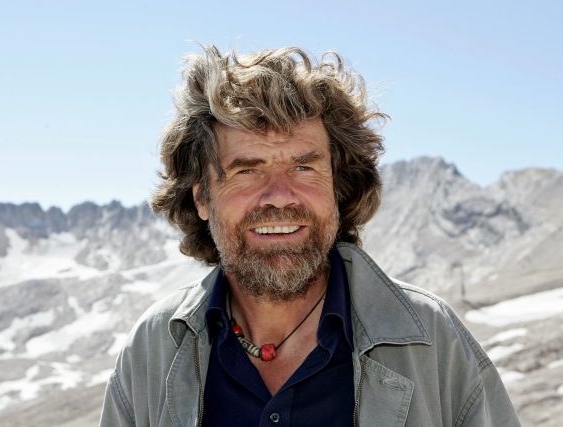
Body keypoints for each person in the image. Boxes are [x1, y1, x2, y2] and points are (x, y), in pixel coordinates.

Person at [100, 46, 521, 426]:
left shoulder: (431, 341)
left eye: (304, 167)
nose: (280, 196)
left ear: (337, 186)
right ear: (203, 198)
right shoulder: (153, 348)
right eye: (248, 170)